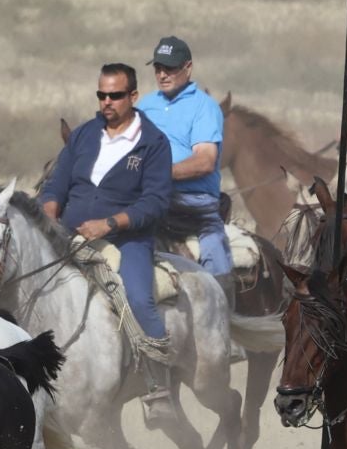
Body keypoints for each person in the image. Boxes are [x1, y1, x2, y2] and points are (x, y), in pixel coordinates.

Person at [41, 63, 175, 423]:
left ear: (133, 96)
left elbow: (155, 202)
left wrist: (109, 223)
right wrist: (48, 213)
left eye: (115, 95)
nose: (106, 102)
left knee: (139, 298)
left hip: (128, 239)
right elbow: (56, 185)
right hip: (69, 233)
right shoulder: (84, 135)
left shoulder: (153, 143)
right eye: (101, 94)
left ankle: (158, 389)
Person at [137, 35, 230, 295]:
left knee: (213, 245)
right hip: (149, 196)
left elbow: (205, 161)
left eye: (169, 68)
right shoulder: (145, 106)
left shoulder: (204, 107)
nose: (162, 74)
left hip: (193, 202)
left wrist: (158, 173)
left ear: (187, 68)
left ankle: (223, 303)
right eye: (158, 68)